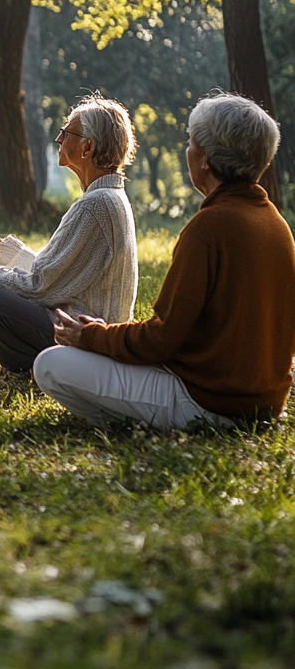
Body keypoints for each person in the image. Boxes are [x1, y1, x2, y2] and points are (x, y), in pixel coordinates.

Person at [36, 93, 295, 429]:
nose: (187, 150)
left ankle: (132, 424)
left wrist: (92, 338)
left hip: (210, 402)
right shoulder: (277, 225)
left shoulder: (210, 227)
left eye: (191, 142)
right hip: (266, 402)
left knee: (51, 365)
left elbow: (162, 339)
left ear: (204, 159)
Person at [0, 93, 138, 374]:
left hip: (86, 341)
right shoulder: (110, 197)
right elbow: (57, 272)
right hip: (96, 337)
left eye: (66, 132)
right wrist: (0, 247)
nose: (59, 139)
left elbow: (39, 286)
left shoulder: (95, 205)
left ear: (88, 147)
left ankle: (25, 369)